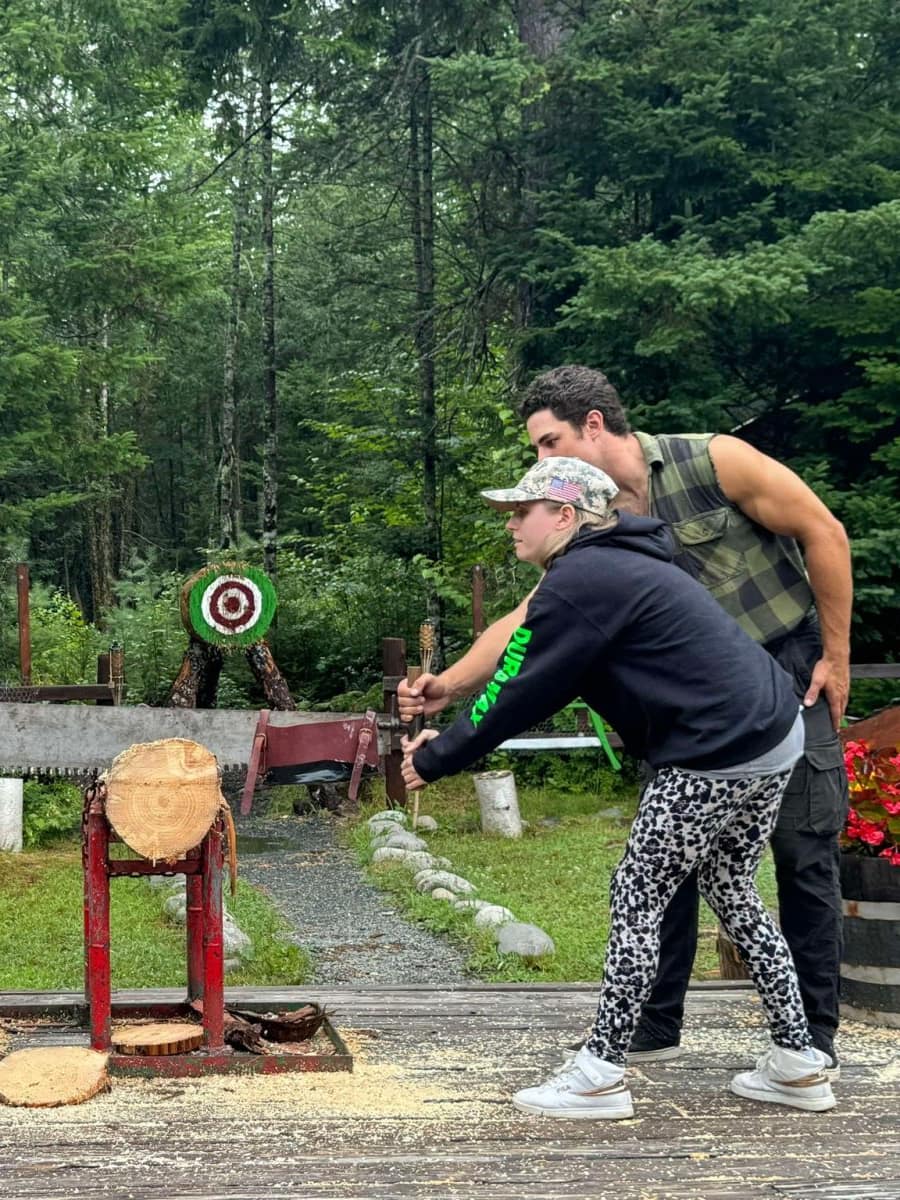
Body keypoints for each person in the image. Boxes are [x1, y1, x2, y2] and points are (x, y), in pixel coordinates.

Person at [399, 365, 851, 1074]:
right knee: (673, 863)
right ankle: (656, 1025)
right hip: (687, 711)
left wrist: (837, 654)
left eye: (549, 444)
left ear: (595, 426)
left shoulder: (711, 461)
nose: (540, 463)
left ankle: (810, 1041)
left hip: (785, 672)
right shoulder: (597, 528)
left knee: (801, 852)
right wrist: (449, 688)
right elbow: (531, 625)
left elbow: (823, 531)